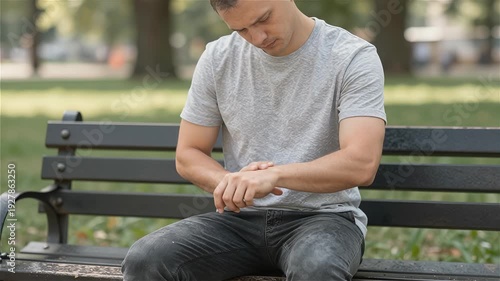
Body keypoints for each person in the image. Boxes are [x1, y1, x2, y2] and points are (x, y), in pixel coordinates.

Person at [121, 0, 386, 280]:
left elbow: (361, 163)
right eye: (242, 29)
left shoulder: (352, 56)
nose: (258, 38)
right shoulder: (217, 57)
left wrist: (273, 176)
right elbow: (188, 153)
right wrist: (231, 183)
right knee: (146, 259)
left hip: (324, 219)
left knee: (317, 268)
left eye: (263, 19)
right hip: (238, 221)